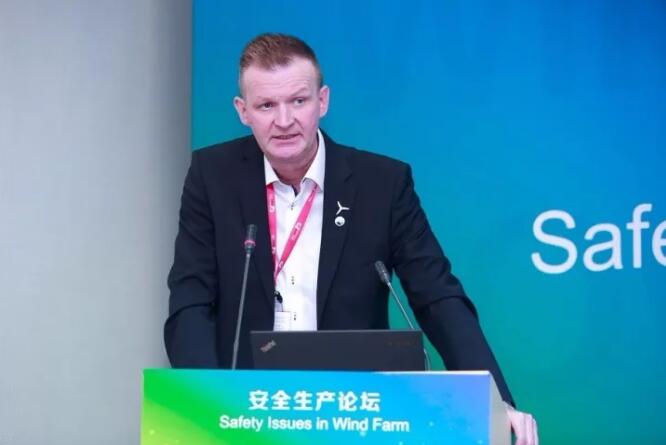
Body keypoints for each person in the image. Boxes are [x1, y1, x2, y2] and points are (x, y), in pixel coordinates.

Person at [165, 33, 538, 444]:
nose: (284, 120)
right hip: (246, 413)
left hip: (354, 413)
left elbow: (438, 297)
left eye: (298, 101)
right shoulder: (212, 176)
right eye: (266, 105)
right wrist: (204, 405)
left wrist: (495, 402)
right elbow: (191, 298)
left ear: (322, 101)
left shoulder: (382, 183)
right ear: (242, 111)